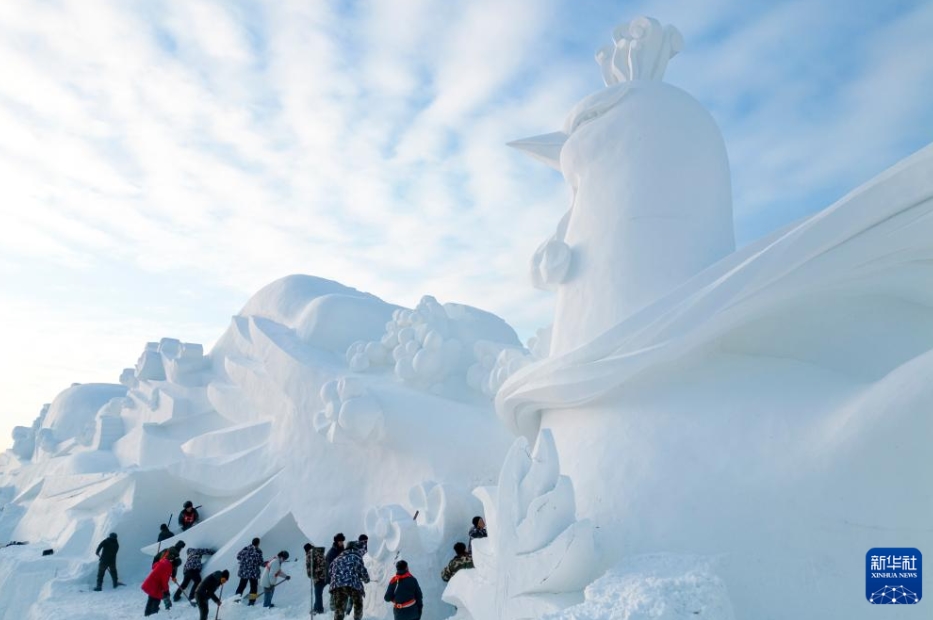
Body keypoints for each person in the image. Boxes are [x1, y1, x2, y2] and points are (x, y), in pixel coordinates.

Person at [329, 540, 370, 620]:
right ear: (355, 548)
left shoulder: (337, 558)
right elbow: (362, 570)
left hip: (337, 585)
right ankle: (357, 618)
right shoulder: (355, 556)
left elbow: (330, 572)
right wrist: (366, 579)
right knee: (358, 604)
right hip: (352, 584)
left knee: (339, 608)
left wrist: (338, 577)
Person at [234, 537, 264, 605]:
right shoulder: (258, 552)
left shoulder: (245, 549)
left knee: (241, 586)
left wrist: (244, 561)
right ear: (258, 543)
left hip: (244, 572)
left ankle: (236, 600)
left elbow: (238, 557)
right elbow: (261, 563)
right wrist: (267, 564)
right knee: (253, 587)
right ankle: (251, 602)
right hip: (253, 573)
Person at [304, 542, 327, 615]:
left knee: (318, 594)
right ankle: (316, 607)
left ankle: (319, 610)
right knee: (318, 593)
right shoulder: (319, 552)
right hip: (326, 576)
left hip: (319, 577)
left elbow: (309, 570)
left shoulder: (310, 555)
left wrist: (311, 575)